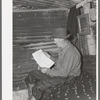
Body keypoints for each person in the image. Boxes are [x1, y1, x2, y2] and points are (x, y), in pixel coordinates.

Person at [25, 28, 82, 100]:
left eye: (55, 40)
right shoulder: (63, 48)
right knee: (32, 74)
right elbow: (60, 63)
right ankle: (30, 96)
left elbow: (63, 73)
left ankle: (34, 97)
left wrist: (47, 71)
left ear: (61, 40)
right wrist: (49, 57)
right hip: (60, 73)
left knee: (40, 86)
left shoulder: (71, 52)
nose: (54, 42)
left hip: (68, 78)